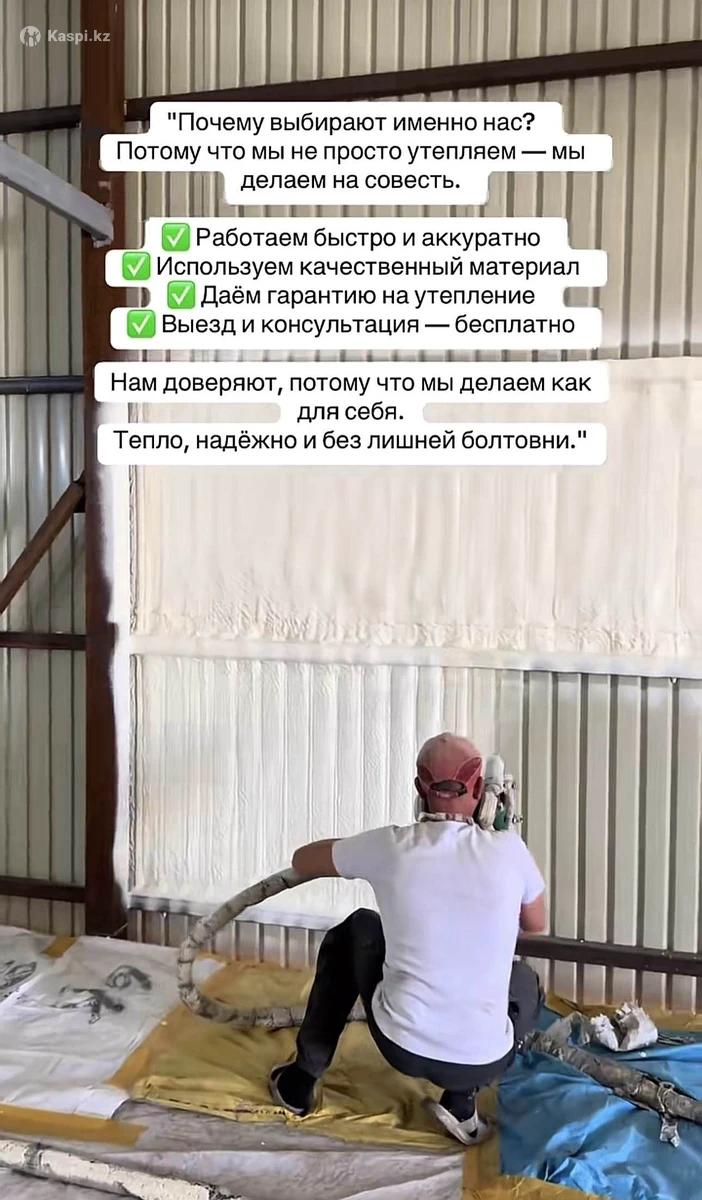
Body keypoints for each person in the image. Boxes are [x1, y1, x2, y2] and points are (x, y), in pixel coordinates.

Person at [269, 732, 546, 1145]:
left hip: (401, 1045)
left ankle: (300, 1079)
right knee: (525, 981)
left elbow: (302, 861)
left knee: (357, 929)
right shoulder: (510, 851)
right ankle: (461, 1100)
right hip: (483, 1061)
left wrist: (360, 852)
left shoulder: (392, 846)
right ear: (481, 791)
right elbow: (536, 923)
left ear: (419, 790)